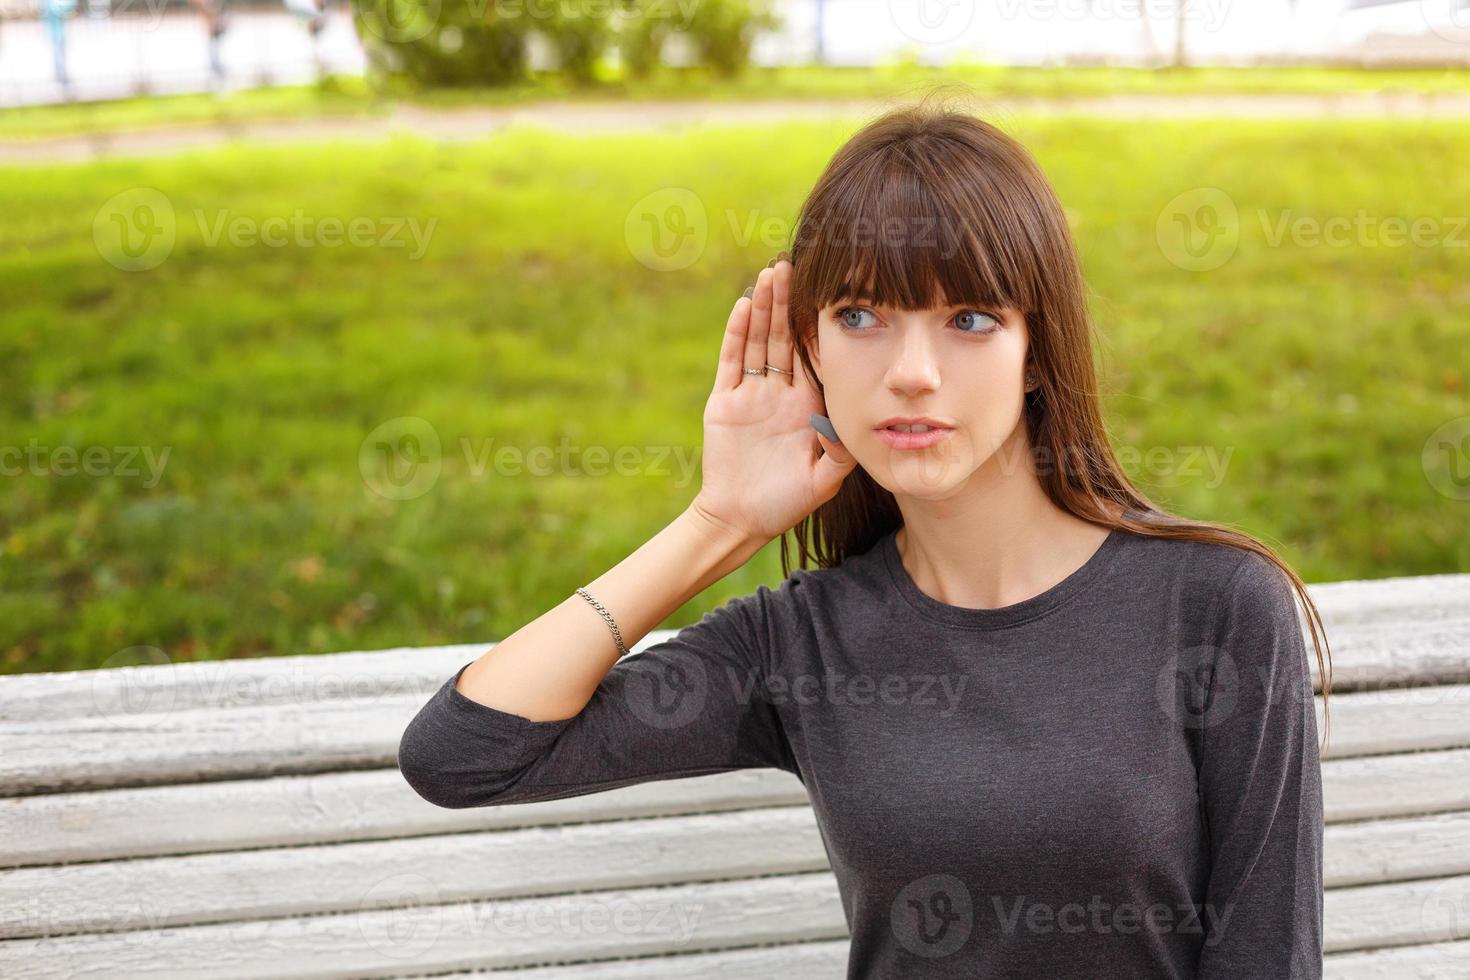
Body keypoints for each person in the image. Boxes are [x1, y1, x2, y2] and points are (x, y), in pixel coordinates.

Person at [397, 99, 1331, 978]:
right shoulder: (804, 643)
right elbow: (464, 754)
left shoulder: (1215, 605)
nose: (913, 374)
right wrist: (717, 524)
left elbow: (1267, 955)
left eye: (970, 319)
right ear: (809, 347)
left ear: (1036, 352)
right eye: (861, 318)